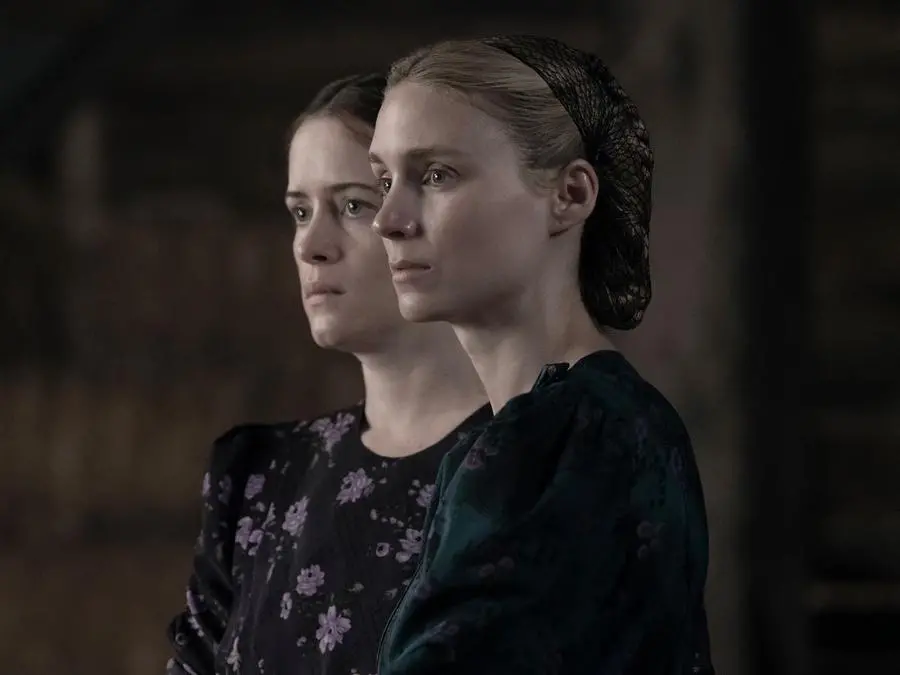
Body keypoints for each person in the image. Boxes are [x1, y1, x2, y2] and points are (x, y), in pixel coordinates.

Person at [368, 36, 714, 674]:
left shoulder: (574, 436)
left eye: (436, 175)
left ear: (570, 195)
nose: (387, 218)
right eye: (383, 180)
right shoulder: (588, 422)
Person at [165, 73, 490, 675]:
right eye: (300, 211)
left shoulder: (536, 468)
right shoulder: (260, 480)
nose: (310, 245)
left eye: (352, 206)